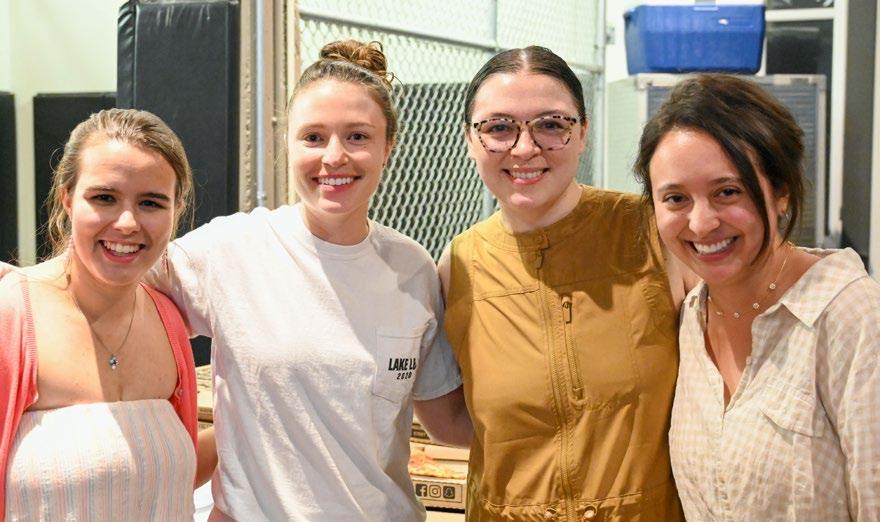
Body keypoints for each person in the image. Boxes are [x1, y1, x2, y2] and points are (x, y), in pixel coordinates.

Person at [143, 40, 470, 521]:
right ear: (288, 145)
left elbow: (448, 421)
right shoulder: (231, 249)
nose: (334, 157)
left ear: (388, 147)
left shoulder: (413, 269)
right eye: (313, 137)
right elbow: (106, 287)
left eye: (357, 136)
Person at [440, 46, 688, 521]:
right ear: (471, 139)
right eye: (499, 128)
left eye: (551, 125)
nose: (524, 148)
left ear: (583, 134)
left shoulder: (654, 234)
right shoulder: (459, 267)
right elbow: (452, 420)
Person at [634, 74, 880, 519]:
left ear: (781, 191)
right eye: (676, 199)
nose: (701, 223)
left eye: (727, 192)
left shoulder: (849, 314)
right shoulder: (690, 318)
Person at [0, 108, 215, 520]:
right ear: (67, 198)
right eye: (104, 198)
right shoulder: (12, 316)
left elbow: (155, 481)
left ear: (177, 209)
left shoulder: (168, 321)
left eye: (151, 203)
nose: (128, 223)